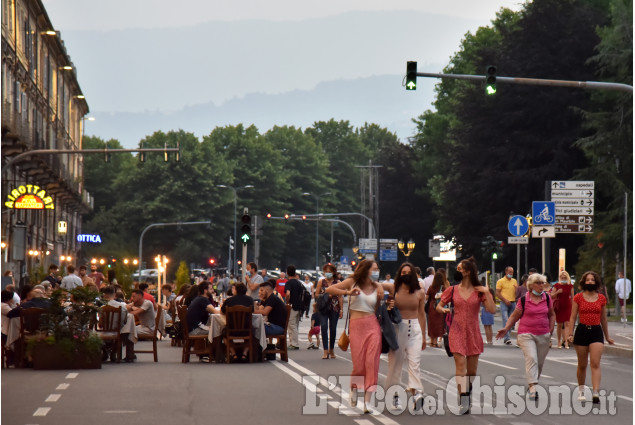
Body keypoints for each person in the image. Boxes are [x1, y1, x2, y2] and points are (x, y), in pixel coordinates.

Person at [436, 257, 496, 414]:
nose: (458, 271)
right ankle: (463, 398)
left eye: (460, 269)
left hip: (473, 331)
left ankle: (467, 390)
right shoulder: (453, 290)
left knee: (472, 371)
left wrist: (486, 293)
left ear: (468, 272)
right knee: (460, 366)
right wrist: (443, 310)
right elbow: (439, 306)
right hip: (456, 329)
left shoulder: (479, 290)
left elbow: (491, 309)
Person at [326, 259, 382, 414]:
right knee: (359, 365)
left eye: (378, 269)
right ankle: (354, 387)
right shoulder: (352, 282)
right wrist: (347, 293)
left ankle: (367, 402)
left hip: (373, 326)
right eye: (374, 269)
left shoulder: (377, 286)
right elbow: (329, 289)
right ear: (366, 270)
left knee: (372, 363)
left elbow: (378, 308)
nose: (377, 272)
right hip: (356, 326)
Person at [496, 274, 555, 399]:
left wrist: (551, 329)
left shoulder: (547, 298)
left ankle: (532, 383)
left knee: (539, 363)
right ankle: (533, 387)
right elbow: (514, 316)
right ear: (531, 285)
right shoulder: (524, 300)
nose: (541, 285)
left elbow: (552, 314)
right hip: (526, 334)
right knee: (532, 358)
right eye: (538, 283)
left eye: (542, 283)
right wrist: (506, 328)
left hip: (543, 334)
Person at [382, 262, 427, 410]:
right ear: (399, 275)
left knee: (415, 363)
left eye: (409, 272)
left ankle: (417, 394)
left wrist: (424, 336)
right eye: (403, 272)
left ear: (413, 274)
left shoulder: (420, 292)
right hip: (397, 328)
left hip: (415, 329)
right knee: (395, 365)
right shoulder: (393, 288)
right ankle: (395, 396)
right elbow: (376, 287)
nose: (406, 275)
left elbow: (422, 314)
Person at [566, 271, 614, 404]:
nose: (590, 282)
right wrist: (570, 334)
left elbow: (603, 319)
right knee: (582, 364)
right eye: (588, 280)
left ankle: (595, 392)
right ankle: (581, 390)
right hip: (582, 330)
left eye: (593, 280)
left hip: (596, 331)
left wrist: (608, 336)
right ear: (584, 282)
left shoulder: (601, 298)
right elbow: (572, 317)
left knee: (595, 363)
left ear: (596, 282)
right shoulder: (578, 297)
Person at [315, 263, 343, 359]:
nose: (328, 273)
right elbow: (316, 295)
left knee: (333, 328)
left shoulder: (338, 282)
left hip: (334, 308)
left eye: (329, 272)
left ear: (333, 272)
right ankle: (325, 350)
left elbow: (340, 296)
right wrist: (326, 295)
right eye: (326, 272)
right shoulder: (321, 282)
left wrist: (341, 309)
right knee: (323, 327)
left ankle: (331, 349)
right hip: (323, 308)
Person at [551, 270, 574, 349]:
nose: (563, 279)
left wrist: (574, 307)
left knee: (567, 323)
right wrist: (557, 292)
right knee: (559, 324)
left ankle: (566, 342)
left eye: (565, 277)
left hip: (567, 306)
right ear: (560, 278)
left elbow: (572, 297)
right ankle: (559, 341)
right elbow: (552, 296)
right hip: (559, 306)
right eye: (562, 277)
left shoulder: (570, 286)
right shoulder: (557, 285)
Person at [496, 266, 518, 345]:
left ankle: (507, 335)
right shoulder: (500, 281)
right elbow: (497, 293)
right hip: (504, 303)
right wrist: (505, 300)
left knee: (511, 321)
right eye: (509, 272)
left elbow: (517, 293)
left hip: (513, 303)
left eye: (512, 272)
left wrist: (516, 290)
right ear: (506, 272)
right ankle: (507, 338)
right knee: (505, 319)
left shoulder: (514, 281)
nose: (511, 274)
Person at [284, 265, 304, 350]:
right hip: (299, 306)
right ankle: (294, 342)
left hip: (292, 306)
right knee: (295, 324)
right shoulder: (298, 282)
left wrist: (287, 301)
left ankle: (294, 343)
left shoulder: (288, 282)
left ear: (287, 272)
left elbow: (288, 293)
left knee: (291, 324)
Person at [426, 271, 447, 347]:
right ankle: (435, 342)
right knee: (438, 324)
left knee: (431, 324)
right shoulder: (443, 287)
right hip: (439, 306)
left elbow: (427, 297)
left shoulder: (431, 287)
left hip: (432, 306)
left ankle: (432, 341)